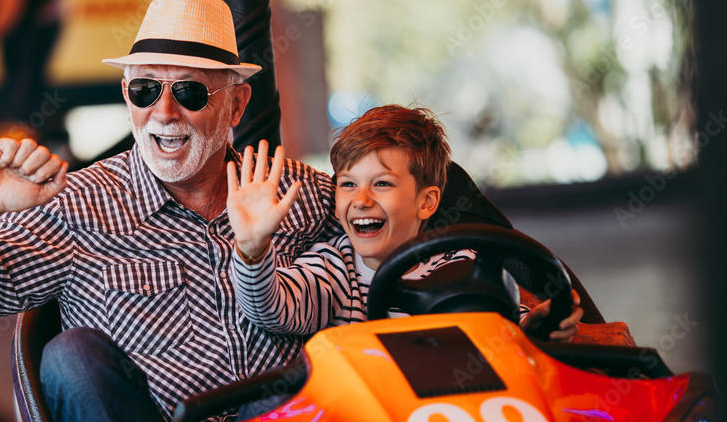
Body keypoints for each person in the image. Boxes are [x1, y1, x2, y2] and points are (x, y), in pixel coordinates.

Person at [0, 0, 343, 422]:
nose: (164, 112)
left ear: (236, 104)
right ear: (127, 95)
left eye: (191, 92)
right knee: (71, 356)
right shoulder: (76, 204)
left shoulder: (301, 193)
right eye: (145, 90)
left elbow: (387, 257)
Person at [228, 105, 583, 338]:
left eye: (382, 184)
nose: (361, 200)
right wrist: (252, 249)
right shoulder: (333, 269)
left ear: (426, 202)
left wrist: (533, 326)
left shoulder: (460, 263)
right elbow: (272, 308)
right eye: (348, 184)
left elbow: (502, 319)